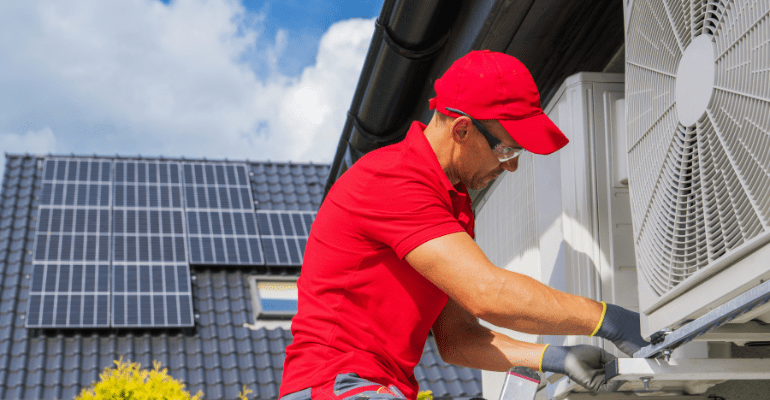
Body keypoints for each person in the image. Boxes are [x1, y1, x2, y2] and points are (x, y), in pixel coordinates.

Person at [279, 50, 648, 400]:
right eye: (506, 149)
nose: (511, 166)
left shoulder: (453, 203)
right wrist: (608, 319)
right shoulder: (394, 178)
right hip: (335, 384)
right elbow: (487, 293)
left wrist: (554, 357)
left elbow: (457, 338)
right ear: (461, 130)